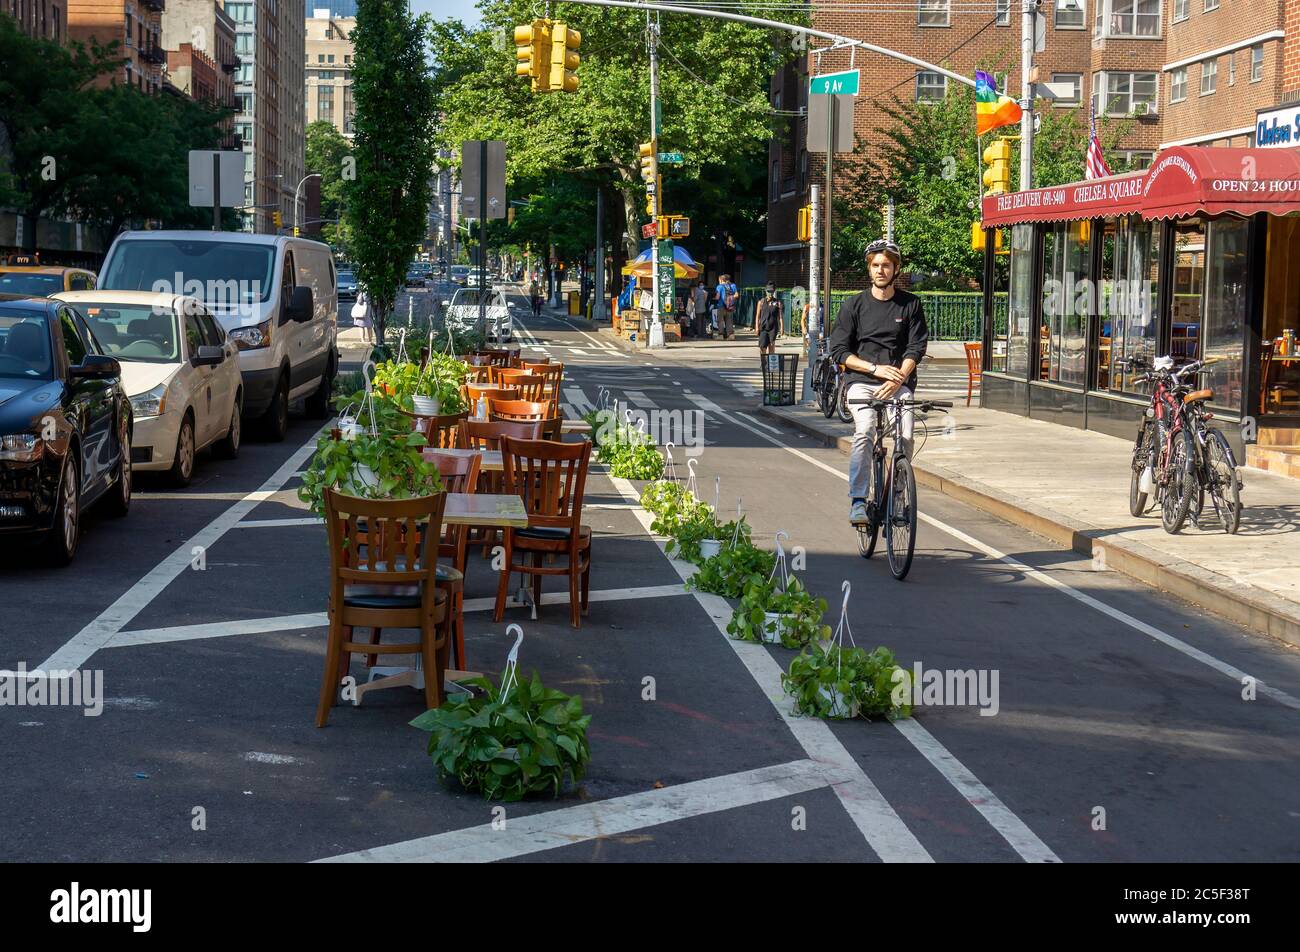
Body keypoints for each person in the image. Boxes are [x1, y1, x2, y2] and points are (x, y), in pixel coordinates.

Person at [828, 239, 929, 526]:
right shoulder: (853, 305)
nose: (880, 270)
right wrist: (876, 369)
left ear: (896, 269)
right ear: (869, 268)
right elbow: (840, 352)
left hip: (899, 384)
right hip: (861, 382)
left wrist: (899, 377)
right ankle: (858, 501)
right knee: (865, 430)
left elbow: (916, 347)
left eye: (886, 265)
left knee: (906, 436)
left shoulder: (911, 305)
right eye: (875, 265)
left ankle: (897, 496)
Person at [755, 283, 783, 356]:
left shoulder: (777, 303)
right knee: (762, 346)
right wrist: (757, 327)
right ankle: (763, 362)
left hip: (773, 327)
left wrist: (782, 327)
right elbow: (757, 316)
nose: (770, 293)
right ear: (765, 291)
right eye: (768, 291)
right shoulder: (761, 302)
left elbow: (780, 317)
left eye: (772, 291)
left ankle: (771, 364)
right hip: (763, 327)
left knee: (771, 345)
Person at [715, 273, 738, 340]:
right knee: (729, 321)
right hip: (730, 307)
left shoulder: (719, 286)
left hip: (721, 306)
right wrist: (730, 299)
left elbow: (717, 297)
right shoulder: (733, 285)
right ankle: (730, 335)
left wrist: (715, 298)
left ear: (722, 279)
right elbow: (736, 295)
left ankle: (720, 335)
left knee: (720, 321)